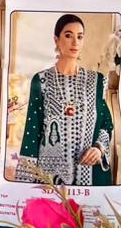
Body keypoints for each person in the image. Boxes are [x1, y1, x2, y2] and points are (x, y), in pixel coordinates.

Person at [15, 15, 114, 186]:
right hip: (50, 174)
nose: (75, 42)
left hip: (90, 174)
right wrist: (24, 183)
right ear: (56, 40)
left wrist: (99, 148)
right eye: (68, 35)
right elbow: (32, 130)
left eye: (80, 37)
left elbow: (106, 123)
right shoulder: (41, 80)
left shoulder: (96, 81)